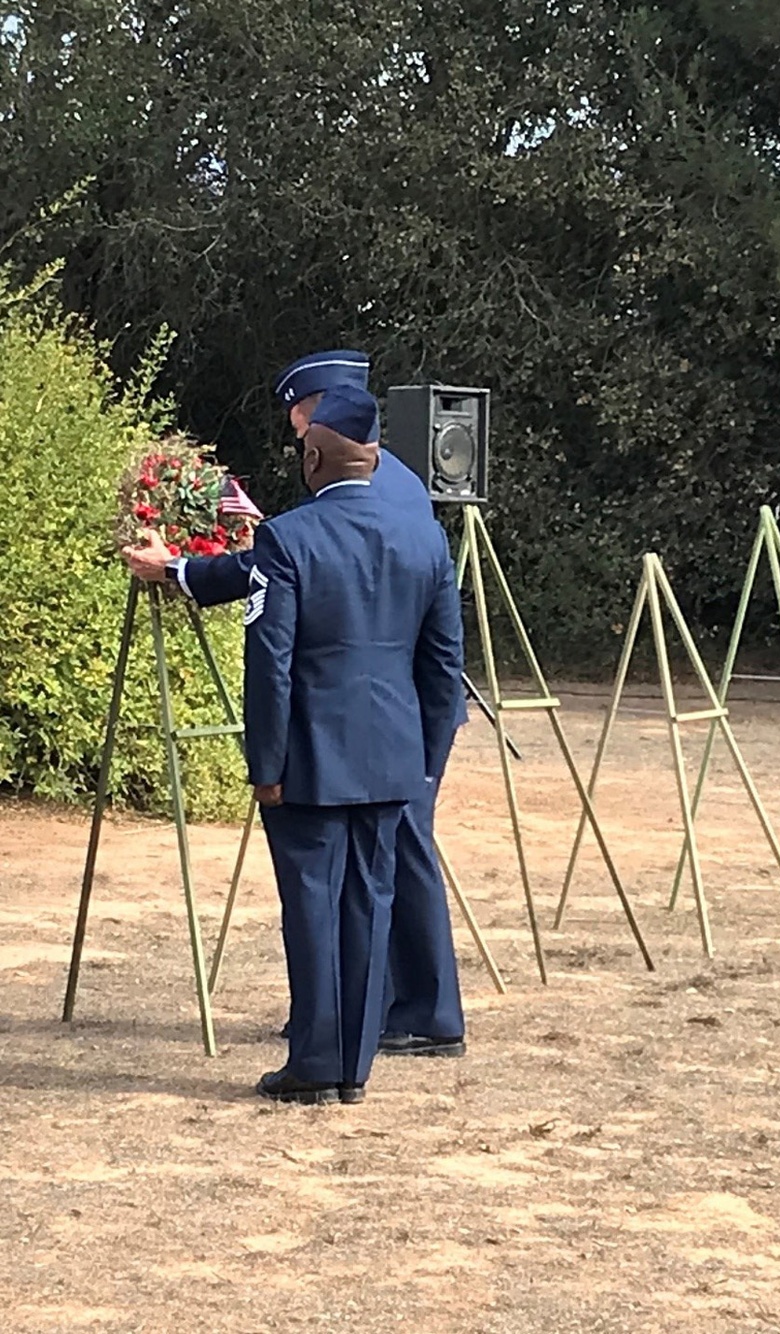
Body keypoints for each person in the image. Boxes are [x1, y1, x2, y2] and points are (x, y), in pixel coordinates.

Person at [123, 350, 467, 1057]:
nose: (294, 430)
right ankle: (372, 1022)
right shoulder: (390, 479)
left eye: (297, 416)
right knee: (383, 871)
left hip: (346, 727)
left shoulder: (356, 491)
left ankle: (399, 1018)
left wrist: (181, 569)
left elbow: (284, 576)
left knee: (364, 875)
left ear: (318, 416)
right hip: (397, 726)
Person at [245, 384, 464, 1104]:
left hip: (309, 757)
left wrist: (265, 764)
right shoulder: (426, 538)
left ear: (314, 457)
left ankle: (315, 1061)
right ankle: (355, 1066)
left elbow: (271, 663)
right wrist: (426, 763)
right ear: (374, 459)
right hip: (394, 756)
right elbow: (443, 665)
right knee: (371, 900)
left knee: (312, 904)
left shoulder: (286, 538)